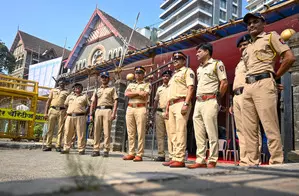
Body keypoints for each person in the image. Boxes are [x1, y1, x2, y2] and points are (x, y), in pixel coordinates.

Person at [242, 13, 295, 165]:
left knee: (269, 124)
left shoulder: (271, 37)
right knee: (249, 128)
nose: (251, 25)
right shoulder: (247, 47)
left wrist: (275, 77)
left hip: (264, 82)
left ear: (263, 23)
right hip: (248, 85)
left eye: (255, 22)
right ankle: (251, 162)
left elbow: (289, 57)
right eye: (249, 23)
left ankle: (276, 162)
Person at [187, 43, 228, 169]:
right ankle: (200, 159)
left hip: (210, 100)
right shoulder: (199, 69)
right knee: (198, 132)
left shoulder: (217, 64)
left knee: (211, 131)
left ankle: (213, 159)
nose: (197, 54)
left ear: (207, 51)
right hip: (198, 102)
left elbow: (224, 83)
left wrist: (217, 98)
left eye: (199, 51)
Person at [163, 52, 195, 168]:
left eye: (178, 59)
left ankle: (180, 158)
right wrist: (167, 109)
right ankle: (175, 157)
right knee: (172, 132)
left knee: (180, 131)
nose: (175, 61)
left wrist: (186, 103)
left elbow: (190, 88)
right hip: (171, 104)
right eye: (174, 59)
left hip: (181, 102)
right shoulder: (173, 76)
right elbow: (170, 94)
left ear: (183, 61)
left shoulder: (187, 71)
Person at [123, 66, 151, 162]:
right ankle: (131, 153)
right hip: (130, 107)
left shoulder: (147, 84)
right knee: (130, 132)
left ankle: (139, 153)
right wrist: (139, 92)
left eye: (140, 73)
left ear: (143, 74)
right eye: (136, 73)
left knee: (140, 132)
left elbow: (145, 95)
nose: (138, 74)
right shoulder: (130, 84)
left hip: (140, 107)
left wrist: (134, 93)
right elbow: (126, 94)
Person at [90, 71, 118, 157]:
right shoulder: (97, 90)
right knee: (96, 131)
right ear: (100, 79)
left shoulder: (112, 89)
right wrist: (91, 114)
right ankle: (96, 149)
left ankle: (106, 149)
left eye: (105, 77)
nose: (104, 79)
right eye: (102, 77)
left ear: (108, 79)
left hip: (107, 110)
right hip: (98, 110)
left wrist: (114, 113)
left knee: (107, 131)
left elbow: (116, 101)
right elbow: (93, 102)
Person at [61, 83, 90, 155]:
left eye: (79, 87)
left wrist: (86, 113)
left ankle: (81, 149)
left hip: (80, 116)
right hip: (70, 116)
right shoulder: (69, 96)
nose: (77, 88)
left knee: (81, 133)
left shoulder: (84, 96)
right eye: (76, 87)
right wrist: (68, 112)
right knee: (67, 132)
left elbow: (89, 105)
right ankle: (66, 148)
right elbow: (65, 105)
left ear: (82, 89)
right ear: (74, 88)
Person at [43, 77, 69, 152]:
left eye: (63, 81)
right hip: (52, 110)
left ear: (65, 83)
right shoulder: (53, 90)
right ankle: (48, 145)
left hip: (62, 111)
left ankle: (58, 145)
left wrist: (67, 113)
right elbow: (48, 101)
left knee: (60, 129)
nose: (61, 83)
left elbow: (68, 104)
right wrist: (45, 112)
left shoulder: (67, 92)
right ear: (58, 82)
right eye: (60, 81)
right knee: (50, 128)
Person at [152, 70, 173, 162]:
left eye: (167, 76)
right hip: (159, 112)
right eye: (164, 76)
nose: (165, 78)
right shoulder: (159, 88)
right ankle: (161, 155)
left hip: (169, 112)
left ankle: (172, 155)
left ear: (170, 77)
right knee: (160, 135)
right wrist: (153, 113)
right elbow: (156, 101)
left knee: (170, 134)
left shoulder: (172, 87)